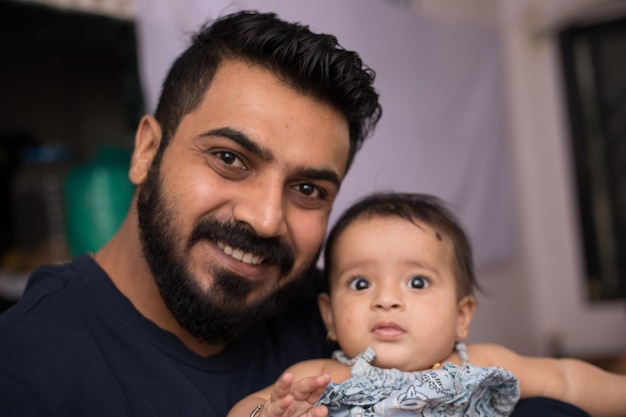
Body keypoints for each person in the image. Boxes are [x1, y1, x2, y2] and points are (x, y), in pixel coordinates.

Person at [0, 9, 590, 417]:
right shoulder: (28, 374)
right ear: (147, 150)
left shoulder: (341, 310)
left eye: (308, 189)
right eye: (230, 158)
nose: (263, 220)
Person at [229, 192, 626, 417]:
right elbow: (251, 406)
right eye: (361, 282)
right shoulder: (321, 378)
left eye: (417, 282)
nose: (386, 300)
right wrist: (271, 413)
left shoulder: (482, 364)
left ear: (461, 316)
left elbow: (569, 380)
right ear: (329, 317)